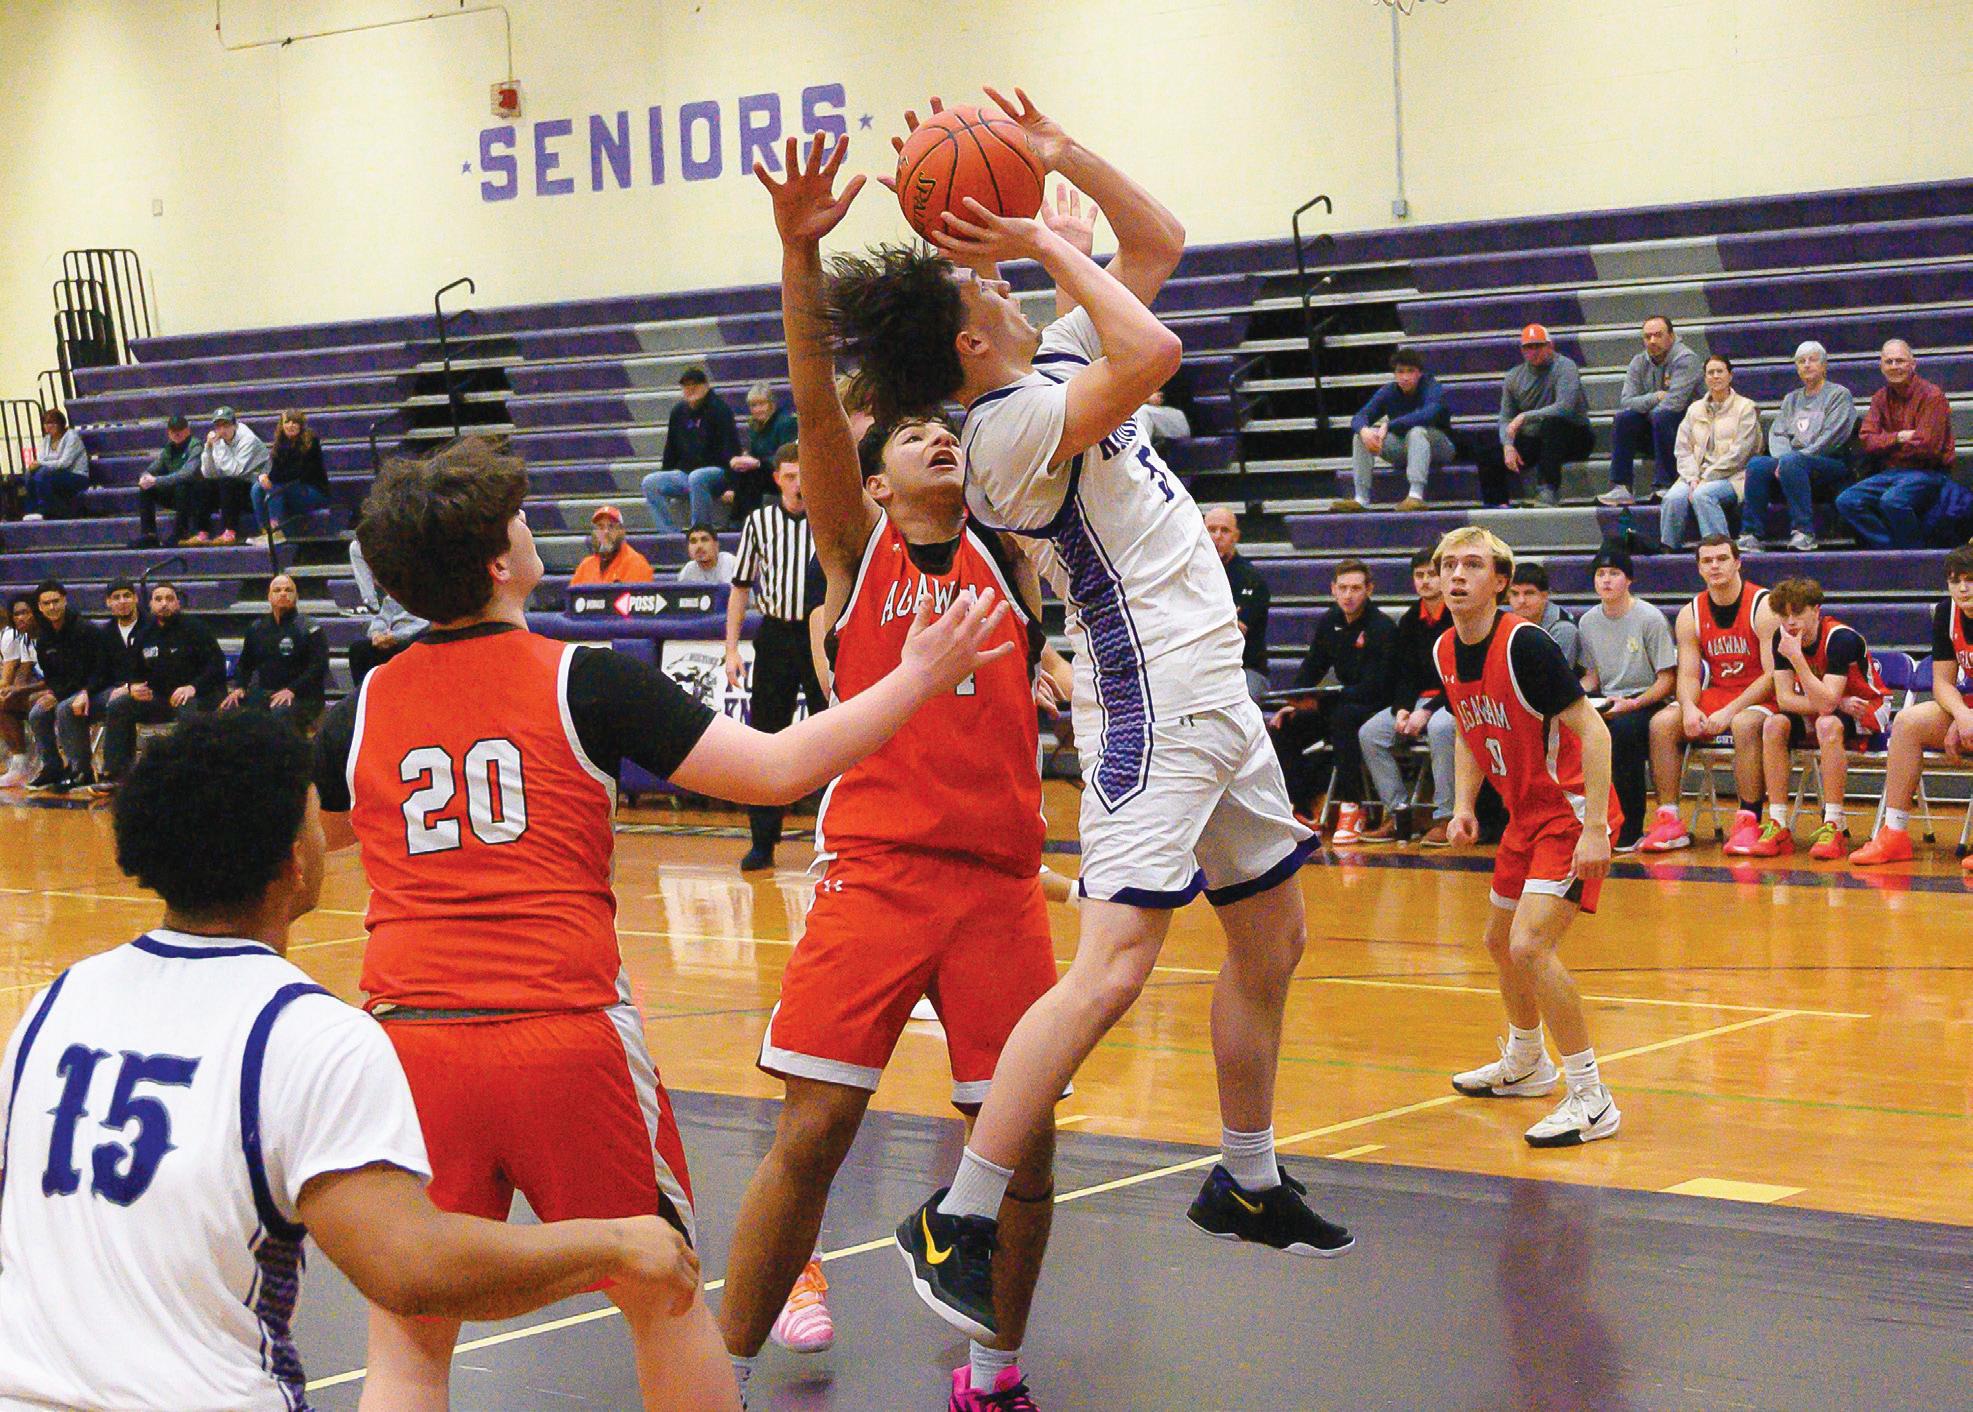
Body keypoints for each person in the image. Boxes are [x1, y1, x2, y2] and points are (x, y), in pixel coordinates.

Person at [311, 434, 1005, 1411]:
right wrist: (917, 676)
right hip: (560, 1034)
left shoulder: (360, 708)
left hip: (408, 1042)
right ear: (498, 563)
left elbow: (321, 843)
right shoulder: (584, 678)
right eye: (516, 517)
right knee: (663, 1292)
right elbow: (776, 770)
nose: (529, 524)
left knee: (410, 1335)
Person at [822, 89, 1347, 1348]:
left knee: (1271, 934)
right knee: (1111, 966)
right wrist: (1045, 242)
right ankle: (958, 1213)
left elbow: (1159, 242)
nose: (1001, 278)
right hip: (1149, 698)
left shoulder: (1046, 358)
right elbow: (1153, 351)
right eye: (985, 283)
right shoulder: (1001, 434)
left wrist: (1063, 160)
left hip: (1212, 687)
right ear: (969, 341)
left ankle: (1246, 1174)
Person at [0, 710, 709, 1412]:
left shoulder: (56, 1001)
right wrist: (613, 1242)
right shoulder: (308, 1032)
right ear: (294, 860)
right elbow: (412, 1269)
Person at [718, 134, 1067, 1412]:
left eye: (944, 429)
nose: (935, 440)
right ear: (867, 478)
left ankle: (994, 1370)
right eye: (910, 433)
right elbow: (817, 401)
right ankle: (722, 1371)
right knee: (814, 1129)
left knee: (1022, 1150)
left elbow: (1054, 387)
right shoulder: (855, 549)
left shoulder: (1013, 552)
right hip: (875, 870)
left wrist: (1046, 251)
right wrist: (797, 256)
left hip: (1000, 886)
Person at [1436, 526, 1621, 1148]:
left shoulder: (1526, 645)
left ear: (1500, 582)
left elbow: (1595, 732)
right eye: (1448, 564)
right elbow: (1469, 729)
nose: (1456, 575)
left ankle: (1592, 1096)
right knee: (1498, 941)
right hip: (1524, 813)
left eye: (1472, 565)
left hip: (1571, 809)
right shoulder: (1444, 649)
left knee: (1530, 946)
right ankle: (1526, 1062)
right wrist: (1464, 805)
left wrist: (1595, 829)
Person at [1640, 537, 1777, 853]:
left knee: (1743, 723)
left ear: (1737, 563)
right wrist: (1688, 706)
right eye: (1707, 561)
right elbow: (1688, 675)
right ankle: (1669, 819)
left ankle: (1749, 820)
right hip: (1719, 691)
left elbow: (1772, 676)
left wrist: (1729, 712)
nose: (1715, 566)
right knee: (1662, 723)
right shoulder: (1690, 613)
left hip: (1760, 695)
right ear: (1699, 569)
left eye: (1722, 558)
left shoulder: (1763, 606)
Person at [723, 444, 824, 872]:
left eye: (803, 475)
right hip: (776, 635)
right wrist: (731, 648)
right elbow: (740, 587)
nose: (798, 484)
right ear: (777, 479)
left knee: (832, 734)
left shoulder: (827, 517)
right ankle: (763, 841)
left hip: (820, 633)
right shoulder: (759, 522)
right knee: (765, 737)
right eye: (790, 476)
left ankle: (837, 837)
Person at [1744, 576, 1889, 860]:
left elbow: (1826, 705)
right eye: (1783, 615)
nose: (1790, 622)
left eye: (1797, 613)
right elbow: (1785, 699)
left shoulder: (1841, 639)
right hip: (1831, 703)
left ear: (1816, 610)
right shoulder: (1781, 638)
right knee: (1774, 724)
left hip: (1867, 706)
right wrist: (1835, 702)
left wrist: (1798, 659)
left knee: (1827, 724)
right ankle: (1778, 823)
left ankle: (1833, 823)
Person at [1851, 544, 1973, 868]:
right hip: (1969, 706)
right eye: (1955, 581)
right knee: (1907, 723)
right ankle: (1894, 834)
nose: (1963, 588)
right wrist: (1961, 715)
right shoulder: (1947, 613)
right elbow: (1942, 682)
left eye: (1970, 580)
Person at [1269, 559, 1396, 842]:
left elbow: (1376, 687)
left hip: (1375, 704)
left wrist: (1321, 702)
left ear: (1369, 590)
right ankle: (1302, 805)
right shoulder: (1330, 621)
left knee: (1342, 717)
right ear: (1333, 589)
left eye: (1356, 588)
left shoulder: (1381, 627)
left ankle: (1353, 806)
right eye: (1343, 588)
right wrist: (1294, 700)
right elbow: (1312, 666)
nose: (1348, 595)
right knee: (1282, 726)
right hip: (1341, 701)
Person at [1574, 547, 1677, 852]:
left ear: (1629, 580)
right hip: (1608, 701)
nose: (1606, 580)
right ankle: (1580, 822)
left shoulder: (1650, 618)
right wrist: (1573, 696)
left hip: (1646, 701)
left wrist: (1632, 704)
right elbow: (1592, 676)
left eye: (1614, 573)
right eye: (1600, 574)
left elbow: (1666, 680)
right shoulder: (1587, 622)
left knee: (1622, 733)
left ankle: (1629, 827)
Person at [1357, 545, 1452, 845]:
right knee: (1370, 733)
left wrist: (1428, 710)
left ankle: (1446, 818)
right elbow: (1405, 674)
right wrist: (1402, 709)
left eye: (1432, 574)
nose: (1425, 581)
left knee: (1441, 728)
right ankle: (1399, 814)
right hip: (1419, 702)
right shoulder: (1410, 620)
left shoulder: (1458, 615)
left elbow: (1461, 678)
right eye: (1419, 575)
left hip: (1452, 701)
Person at [95, 582, 228, 792]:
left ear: (178, 603)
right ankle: (117, 774)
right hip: (160, 699)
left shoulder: (196, 629)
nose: (164, 604)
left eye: (169, 599)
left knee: (187, 705)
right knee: (120, 705)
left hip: (199, 696)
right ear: (150, 604)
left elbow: (217, 666)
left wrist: (192, 687)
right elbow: (134, 671)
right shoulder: (144, 634)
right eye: (158, 599)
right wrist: (134, 687)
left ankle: (191, 775)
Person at [1834, 340, 1956, 550]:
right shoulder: (1879, 398)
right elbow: (1867, 441)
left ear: (1913, 364)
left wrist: (1885, 444)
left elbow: (1927, 447)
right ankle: (1890, 550)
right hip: (1892, 472)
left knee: (1892, 501)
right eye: (1888, 362)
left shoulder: (1932, 396)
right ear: (1881, 367)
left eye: (1900, 361)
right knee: (1846, 501)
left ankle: (1914, 554)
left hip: (1929, 472)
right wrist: (1898, 437)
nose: (1894, 366)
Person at [1737, 342, 1857, 553]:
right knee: (1757, 464)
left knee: (1793, 461)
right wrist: (1782, 459)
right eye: (1801, 361)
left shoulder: (1839, 395)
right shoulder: (1791, 399)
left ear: (1824, 366)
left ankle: (1804, 532)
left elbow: (1833, 436)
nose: (1807, 365)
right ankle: (1751, 534)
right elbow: (1778, 434)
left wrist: (1794, 458)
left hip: (1830, 462)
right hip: (1792, 463)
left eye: (1812, 360)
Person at [1471, 324, 1593, 508]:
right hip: (1538, 440)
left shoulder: (1565, 367)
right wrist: (1508, 445)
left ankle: (1548, 489)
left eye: (1538, 346)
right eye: (1528, 347)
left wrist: (1524, 417)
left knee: (1552, 424)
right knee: (1488, 449)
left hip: (1574, 436)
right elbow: (1505, 417)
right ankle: (1497, 505)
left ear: (1550, 346)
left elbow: (1565, 408)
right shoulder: (1514, 376)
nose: (1533, 351)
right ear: (1522, 350)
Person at [1598, 315, 1702, 506]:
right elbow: (1626, 401)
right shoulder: (1639, 361)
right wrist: (1655, 397)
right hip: (1656, 427)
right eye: (1648, 336)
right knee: (1624, 419)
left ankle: (1665, 484)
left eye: (1658, 335)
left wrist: (1647, 406)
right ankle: (1621, 487)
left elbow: (1675, 404)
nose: (1652, 341)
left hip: (1688, 431)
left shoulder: (1686, 359)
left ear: (1671, 336)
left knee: (1662, 416)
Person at [1660, 356, 1760, 550]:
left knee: (1703, 495)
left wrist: (1706, 478)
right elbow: (1682, 449)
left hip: (1734, 477)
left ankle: (1720, 550)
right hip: (1695, 477)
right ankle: (1669, 550)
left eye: (1720, 371)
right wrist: (1692, 478)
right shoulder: (1694, 409)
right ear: (1705, 378)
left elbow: (1740, 453)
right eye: (1710, 373)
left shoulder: (1746, 408)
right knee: (1672, 498)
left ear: (1730, 376)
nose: (1715, 376)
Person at [1340, 346, 1454, 512]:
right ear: (1394, 374)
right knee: (1360, 437)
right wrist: (1364, 430)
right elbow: (1360, 416)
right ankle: (1361, 499)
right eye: (1400, 372)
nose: (1405, 377)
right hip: (1405, 448)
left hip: (1439, 446)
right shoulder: (1389, 391)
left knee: (1416, 431)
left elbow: (1428, 414)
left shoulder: (1432, 387)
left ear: (1420, 373)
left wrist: (1390, 424)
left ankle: (1415, 496)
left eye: (1410, 371)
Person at [26, 580, 108, 793]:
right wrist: (53, 692)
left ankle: (81, 770)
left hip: (96, 688)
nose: (52, 607)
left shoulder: (85, 629)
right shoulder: (44, 637)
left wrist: (61, 695)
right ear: (40, 607)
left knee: (65, 708)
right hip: (67, 692)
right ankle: (52, 767)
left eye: (55, 601)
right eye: (46, 603)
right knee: (37, 713)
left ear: (65, 600)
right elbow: (51, 675)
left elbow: (97, 671)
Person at [641, 368, 743, 532]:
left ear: (706, 386)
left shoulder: (720, 410)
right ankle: (669, 535)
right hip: (686, 475)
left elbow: (733, 448)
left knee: (697, 477)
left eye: (695, 385)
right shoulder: (678, 412)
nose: (691, 389)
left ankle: (700, 531)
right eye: (686, 386)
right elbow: (670, 450)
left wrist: (732, 486)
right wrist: (667, 473)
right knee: (650, 482)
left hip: (717, 474)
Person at [220, 574, 327, 727]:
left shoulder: (310, 628)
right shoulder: (257, 628)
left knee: (279, 712)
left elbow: (319, 667)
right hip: (264, 693)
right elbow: (245, 665)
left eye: (288, 590)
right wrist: (239, 687)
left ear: (296, 596)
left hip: (302, 696)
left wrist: (292, 690)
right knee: (228, 709)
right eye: (277, 590)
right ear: (269, 597)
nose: (283, 593)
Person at [1205, 505, 1271, 699]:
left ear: (1236, 536)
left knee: (1239, 701)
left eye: (1225, 530)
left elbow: (1234, 632)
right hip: (1201, 668)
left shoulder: (1252, 579)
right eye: (1211, 529)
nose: (1217, 536)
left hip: (1245, 668)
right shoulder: (1189, 575)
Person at [187, 406, 267, 546]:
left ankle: (230, 532)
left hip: (257, 490)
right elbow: (208, 474)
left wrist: (218, 446)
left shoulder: (248, 439)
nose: (222, 430)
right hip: (234, 489)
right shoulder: (219, 441)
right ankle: (202, 533)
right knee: (202, 484)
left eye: (226, 425)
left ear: (235, 425)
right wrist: (208, 448)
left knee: (228, 482)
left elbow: (235, 472)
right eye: (218, 426)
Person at [250, 409, 331, 545]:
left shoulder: (311, 442)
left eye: (295, 422)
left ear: (301, 425)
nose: (291, 425)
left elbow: (298, 473)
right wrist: (263, 477)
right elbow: (275, 470)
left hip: (313, 491)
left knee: (275, 486)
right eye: (287, 422)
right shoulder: (280, 443)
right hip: (291, 489)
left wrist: (270, 478)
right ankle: (265, 531)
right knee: (257, 488)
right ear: (282, 425)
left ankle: (277, 531)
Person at [729, 381, 799, 520]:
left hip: (783, 473)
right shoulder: (755, 426)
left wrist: (758, 463)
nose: (758, 409)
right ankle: (739, 519)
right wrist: (744, 458)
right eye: (754, 405)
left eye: (762, 404)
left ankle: (748, 520)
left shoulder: (785, 423)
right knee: (742, 470)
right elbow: (755, 454)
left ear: (772, 404)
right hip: (765, 471)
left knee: (753, 476)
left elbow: (787, 457)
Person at [131, 413, 203, 548]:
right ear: (169, 433)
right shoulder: (169, 448)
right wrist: (144, 477)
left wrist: (156, 480)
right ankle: (149, 534)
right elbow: (153, 468)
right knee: (146, 488)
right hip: (175, 494)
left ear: (187, 430)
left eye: (180, 430)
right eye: (173, 431)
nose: (177, 434)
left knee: (183, 486)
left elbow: (187, 474)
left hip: (195, 496)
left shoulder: (195, 446)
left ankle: (180, 533)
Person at [0, 595, 44, 786]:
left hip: (61, 689)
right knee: (4, 701)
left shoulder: (49, 635)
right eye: (16, 614)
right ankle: (20, 765)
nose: (20, 618)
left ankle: (49, 763)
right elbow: (24, 671)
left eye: (25, 612)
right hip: (42, 687)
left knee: (37, 703)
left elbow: (57, 679)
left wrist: (17, 689)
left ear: (36, 612)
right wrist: (12, 691)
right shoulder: (25, 638)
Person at [1507, 562, 1579, 673]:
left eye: (1529, 593)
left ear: (1544, 596)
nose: (1521, 600)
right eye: (1515, 594)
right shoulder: (1506, 624)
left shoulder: (1563, 629)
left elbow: (1556, 677)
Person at [348, 591, 428, 690]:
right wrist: (376, 633)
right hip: (389, 639)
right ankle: (364, 695)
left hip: (414, 639)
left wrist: (395, 637)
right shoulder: (395, 592)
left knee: (413, 642)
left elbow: (425, 624)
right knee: (359, 649)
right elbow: (381, 618)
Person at [22, 407, 91, 521]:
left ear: (61, 424)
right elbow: (41, 459)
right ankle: (32, 510)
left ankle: (45, 511)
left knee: (43, 473)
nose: (49, 426)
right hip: (55, 475)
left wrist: (40, 463)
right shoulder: (46, 440)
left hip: (76, 476)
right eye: (46, 423)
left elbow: (64, 463)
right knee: (30, 473)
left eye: (53, 423)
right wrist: (35, 465)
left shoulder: (71, 437)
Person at [571, 504, 656, 584]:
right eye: (600, 527)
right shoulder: (585, 566)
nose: (605, 532)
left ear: (622, 532)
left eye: (611, 526)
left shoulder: (636, 564)